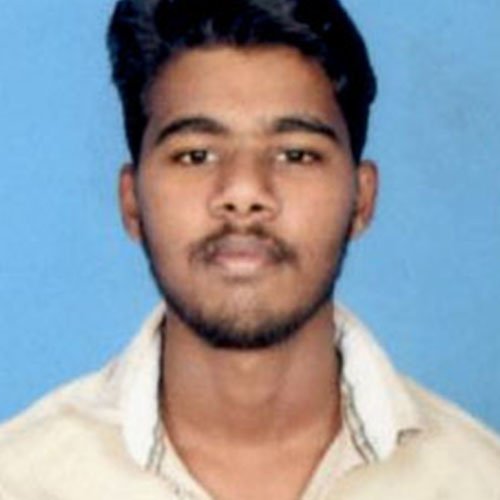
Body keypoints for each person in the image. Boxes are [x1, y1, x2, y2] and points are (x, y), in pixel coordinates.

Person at [0, 0, 499, 498]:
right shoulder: (20, 478)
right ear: (131, 203)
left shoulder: (477, 480)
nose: (243, 192)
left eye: (295, 154)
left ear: (361, 200)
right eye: (196, 155)